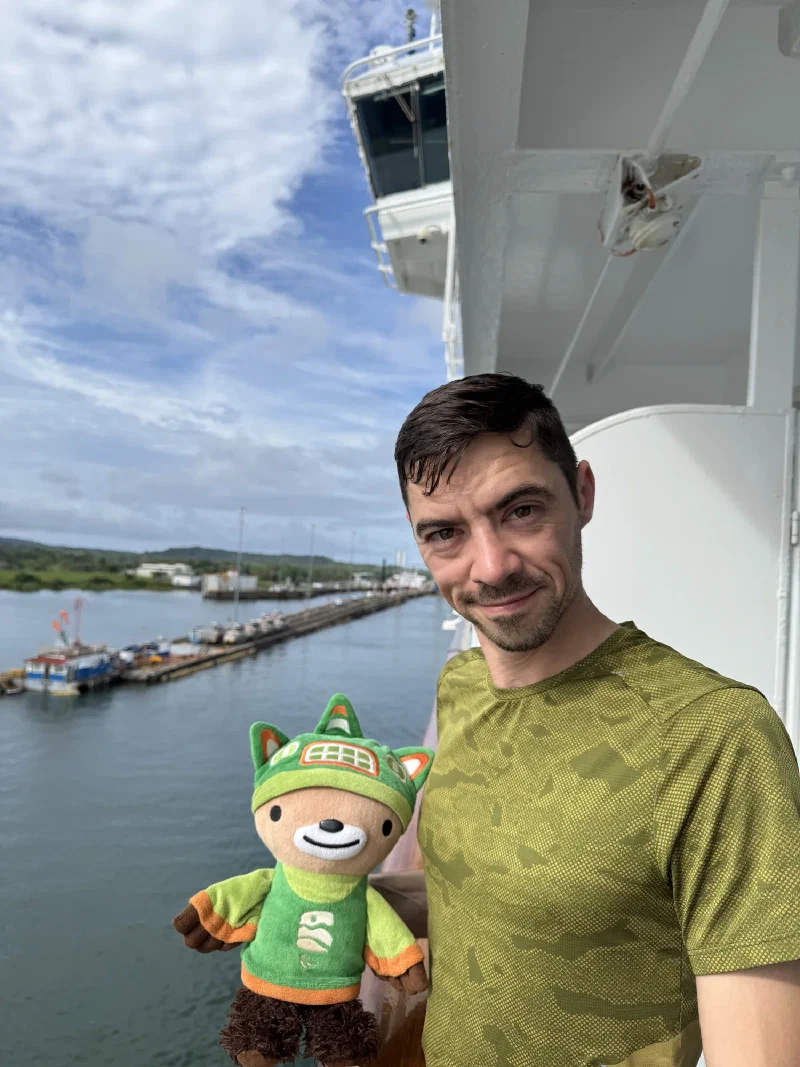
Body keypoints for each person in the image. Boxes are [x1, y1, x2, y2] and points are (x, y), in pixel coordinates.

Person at [384, 372, 800, 1067]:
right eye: (446, 533)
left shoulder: (713, 735)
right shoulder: (460, 683)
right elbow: (493, 892)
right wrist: (325, 897)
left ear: (582, 493)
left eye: (520, 510)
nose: (490, 566)